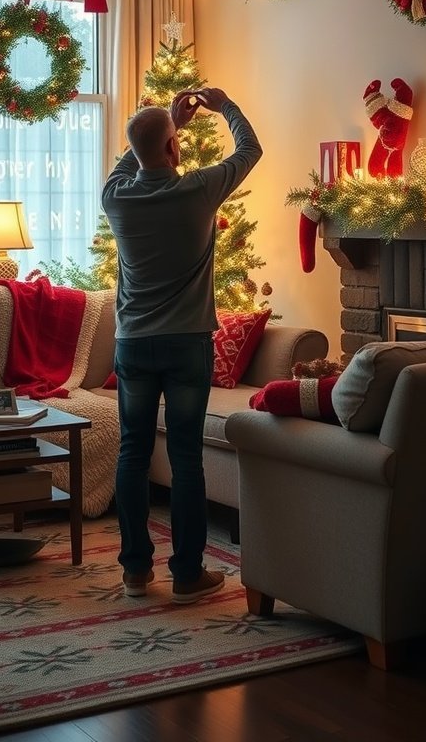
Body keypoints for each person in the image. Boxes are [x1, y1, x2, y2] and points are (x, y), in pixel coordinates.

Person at [102, 87, 262, 603]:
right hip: (187, 346)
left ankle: (135, 572)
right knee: (186, 457)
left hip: (134, 346)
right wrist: (225, 107)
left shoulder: (117, 198)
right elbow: (249, 150)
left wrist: (165, 127)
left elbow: (134, 157)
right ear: (175, 149)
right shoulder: (199, 190)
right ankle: (188, 574)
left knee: (133, 453)